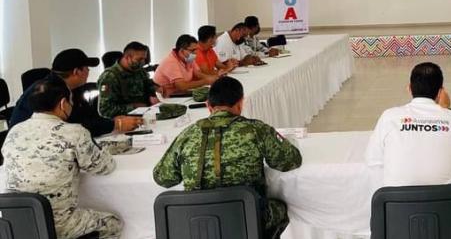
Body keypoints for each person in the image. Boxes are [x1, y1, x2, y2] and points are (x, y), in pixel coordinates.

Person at [153, 76, 302, 239]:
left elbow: (163, 178)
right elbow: (290, 161)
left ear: (208, 106)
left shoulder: (187, 134)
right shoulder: (256, 129)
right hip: (246, 218)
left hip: (195, 220)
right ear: (240, 104)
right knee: (278, 208)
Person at [2, 78, 123, 239]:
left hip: (17, 222)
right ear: (63, 103)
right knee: (113, 223)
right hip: (57, 223)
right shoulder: (74, 132)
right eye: (71, 101)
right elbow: (104, 167)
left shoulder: (14, 131)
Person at [365, 62, 451, 187]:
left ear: (409, 88)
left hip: (396, 205)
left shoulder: (389, 116)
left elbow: (372, 157)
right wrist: (447, 109)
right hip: (445, 205)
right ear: (441, 92)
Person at [9, 48, 141, 136]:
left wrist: (111, 121)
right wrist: (117, 125)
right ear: (76, 72)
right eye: (86, 68)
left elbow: (86, 115)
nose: (89, 72)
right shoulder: (53, 92)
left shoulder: (71, 88)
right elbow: (78, 126)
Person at [97, 41, 161, 118]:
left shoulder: (139, 70)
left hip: (146, 114)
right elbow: (105, 110)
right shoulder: (110, 77)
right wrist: (134, 107)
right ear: (127, 57)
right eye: (139, 59)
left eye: (144, 59)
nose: (143, 62)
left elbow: (148, 85)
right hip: (124, 121)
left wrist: (157, 89)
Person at [153, 34, 217, 97]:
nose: (195, 53)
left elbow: (197, 73)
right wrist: (205, 81)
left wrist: (212, 78)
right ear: (181, 51)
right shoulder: (171, 62)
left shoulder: (188, 58)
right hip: (167, 97)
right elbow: (182, 86)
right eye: (192, 50)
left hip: (181, 94)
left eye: (196, 49)